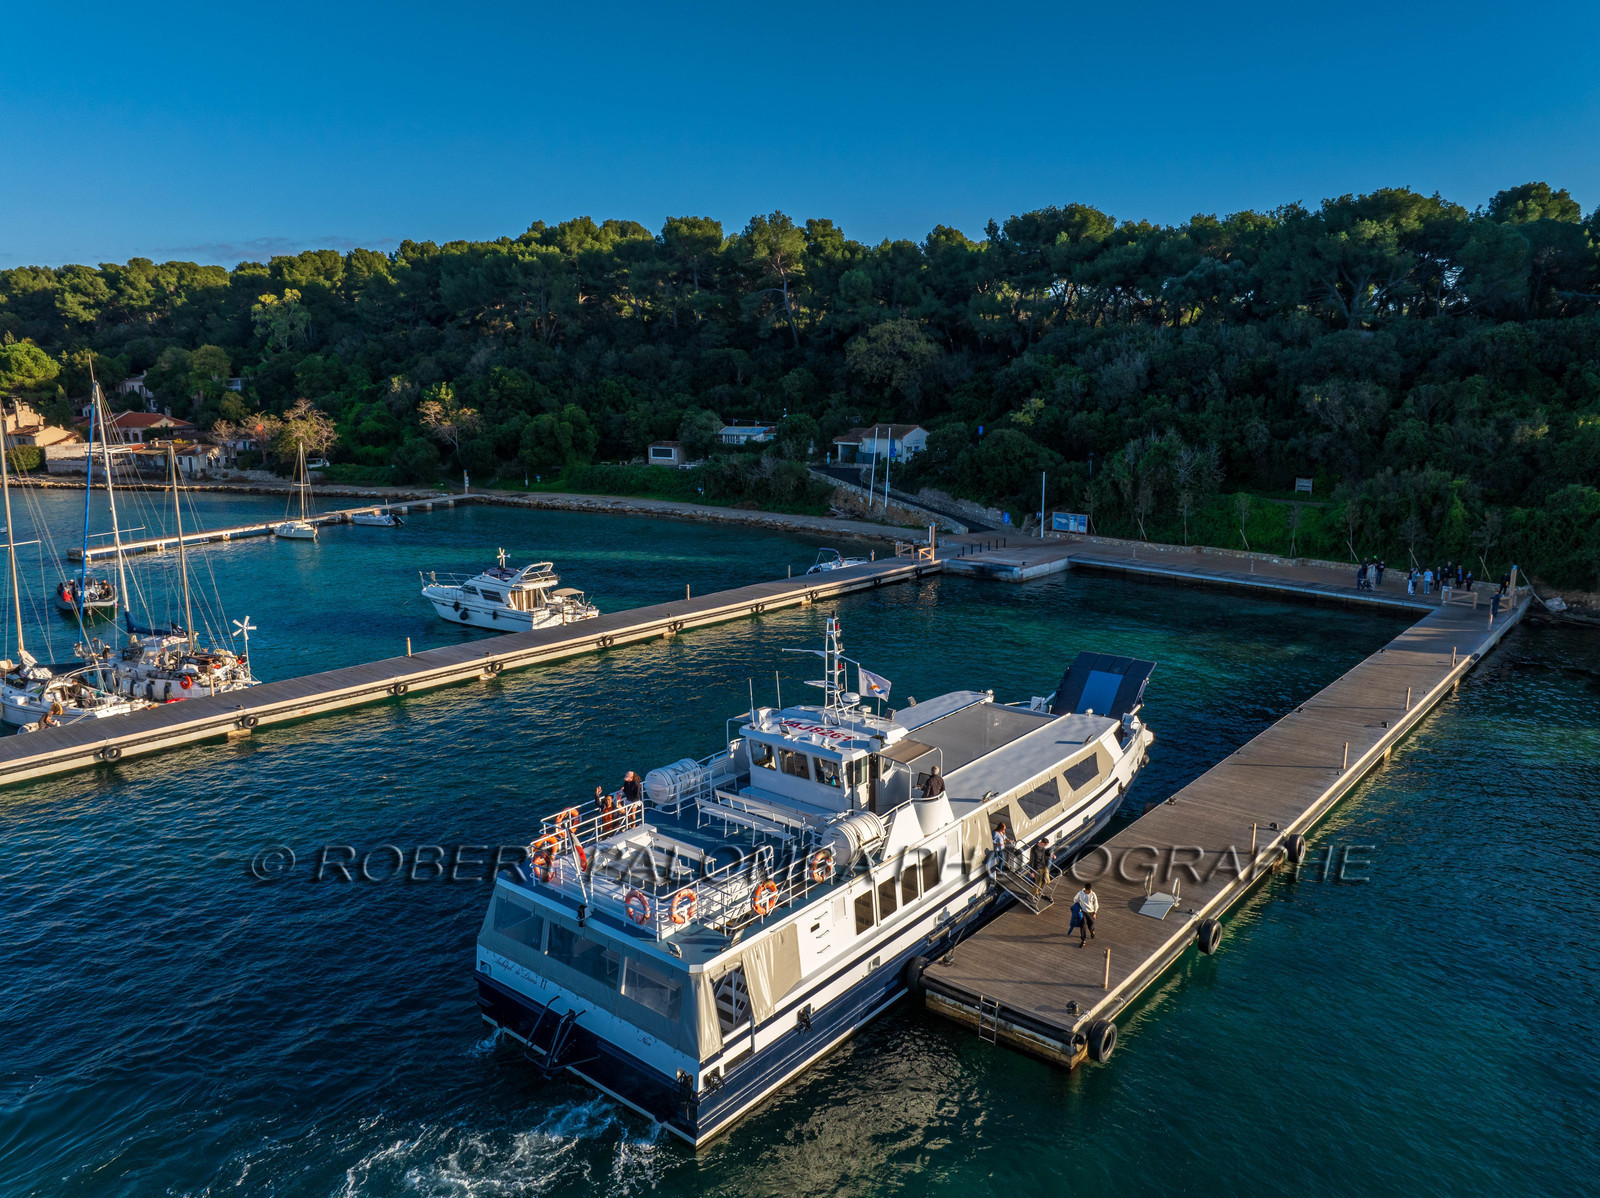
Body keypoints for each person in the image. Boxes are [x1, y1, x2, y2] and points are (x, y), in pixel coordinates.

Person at [1072, 881, 1099, 946]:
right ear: (1086, 889)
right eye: (1089, 890)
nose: (1091, 891)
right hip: (1083, 912)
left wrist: (1095, 913)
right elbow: (1075, 899)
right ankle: (1083, 940)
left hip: (1091, 912)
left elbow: (1096, 904)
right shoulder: (1080, 893)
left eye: (1091, 889)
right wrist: (1077, 906)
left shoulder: (1093, 894)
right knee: (1083, 925)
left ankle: (1092, 930)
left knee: (1091, 924)